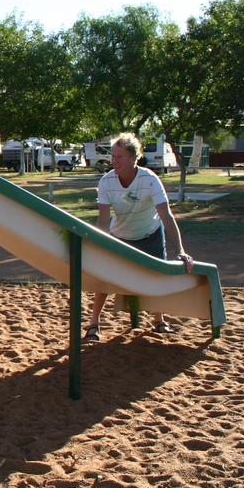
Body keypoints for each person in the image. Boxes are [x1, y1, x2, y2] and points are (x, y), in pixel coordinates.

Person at [83, 132, 195, 341]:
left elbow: (166, 216)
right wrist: (100, 246)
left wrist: (181, 251)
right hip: (120, 235)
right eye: (113, 156)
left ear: (134, 158)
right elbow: (103, 220)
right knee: (104, 280)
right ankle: (93, 324)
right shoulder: (106, 182)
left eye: (120, 157)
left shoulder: (150, 180)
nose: (114, 161)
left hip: (149, 234)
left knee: (156, 276)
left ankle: (158, 320)